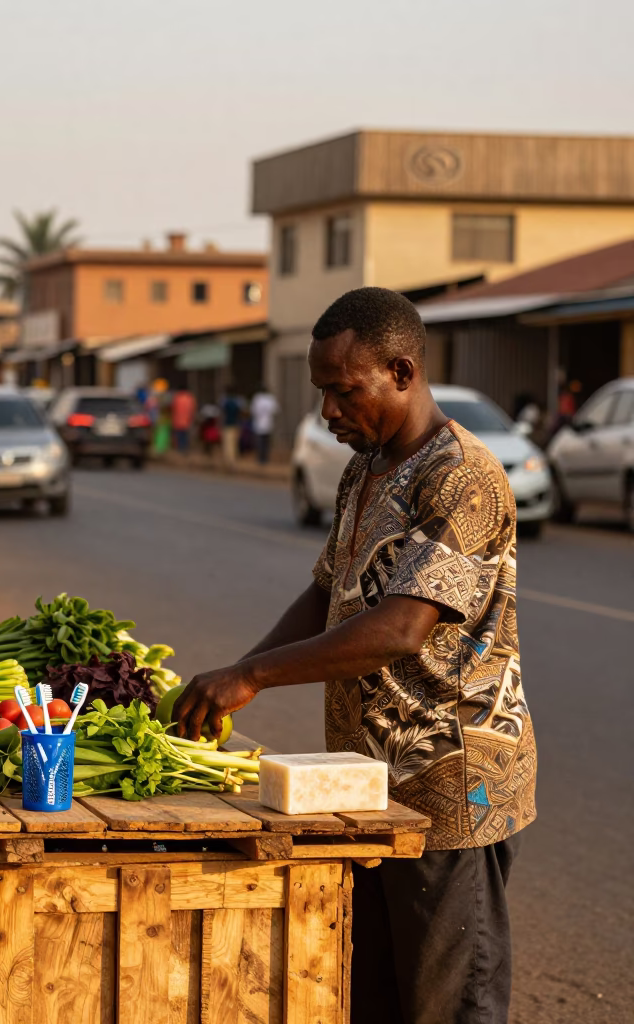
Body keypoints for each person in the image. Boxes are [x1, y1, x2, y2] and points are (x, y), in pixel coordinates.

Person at [175, 287, 537, 1024]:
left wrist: (251, 676)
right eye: (322, 395)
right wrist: (235, 678)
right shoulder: (363, 471)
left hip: (450, 781)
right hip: (369, 780)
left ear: (402, 372)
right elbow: (327, 595)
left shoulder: (462, 477)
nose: (328, 413)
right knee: (373, 990)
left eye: (344, 392)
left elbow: (402, 626)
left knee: (448, 1001)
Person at [250, 384, 279, 464]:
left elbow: (253, 411)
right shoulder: (270, 399)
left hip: (259, 424)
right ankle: (265, 458)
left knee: (260, 442)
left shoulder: (257, 398)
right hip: (268, 423)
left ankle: (260, 459)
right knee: (266, 443)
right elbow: (275, 410)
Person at [220, 388, 244, 464]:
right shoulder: (238, 401)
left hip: (228, 423)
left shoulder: (225, 401)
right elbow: (240, 412)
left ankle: (229, 459)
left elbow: (223, 412)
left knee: (228, 442)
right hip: (235, 423)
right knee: (234, 442)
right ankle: (233, 458)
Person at [170, 387, 196, 454]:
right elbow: (192, 410)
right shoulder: (189, 398)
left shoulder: (177, 397)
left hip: (178, 420)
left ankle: (181, 450)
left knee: (180, 436)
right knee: (185, 436)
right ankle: (185, 449)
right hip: (187, 420)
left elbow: (173, 409)